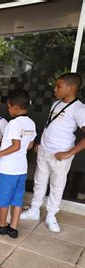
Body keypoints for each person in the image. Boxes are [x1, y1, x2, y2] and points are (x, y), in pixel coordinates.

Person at [20, 73, 85, 232]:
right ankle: (34, 210)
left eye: (58, 86)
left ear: (71, 88)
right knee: (39, 181)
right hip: (44, 151)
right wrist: (40, 144)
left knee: (57, 186)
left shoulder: (79, 109)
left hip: (61, 155)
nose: (55, 89)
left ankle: (51, 215)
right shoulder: (56, 104)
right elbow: (50, 126)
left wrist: (68, 153)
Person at [0, 89, 36, 238]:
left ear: (15, 107)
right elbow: (29, 145)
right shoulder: (31, 123)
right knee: (17, 199)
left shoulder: (14, 123)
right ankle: (13, 228)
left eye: (9, 107)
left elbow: (16, 145)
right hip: (21, 169)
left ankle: (1, 225)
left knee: (4, 199)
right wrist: (5, 142)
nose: (9, 110)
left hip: (8, 169)